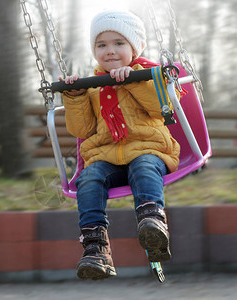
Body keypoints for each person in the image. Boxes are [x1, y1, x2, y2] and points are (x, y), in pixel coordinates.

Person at [60, 10, 181, 280]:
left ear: (134, 47)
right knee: (89, 177)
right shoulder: (93, 85)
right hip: (106, 156)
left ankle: (152, 225)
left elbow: (163, 107)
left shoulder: (150, 75)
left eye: (118, 43)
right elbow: (82, 129)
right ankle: (95, 249)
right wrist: (76, 96)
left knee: (144, 165)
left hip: (149, 148)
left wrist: (134, 80)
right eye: (101, 45)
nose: (110, 51)